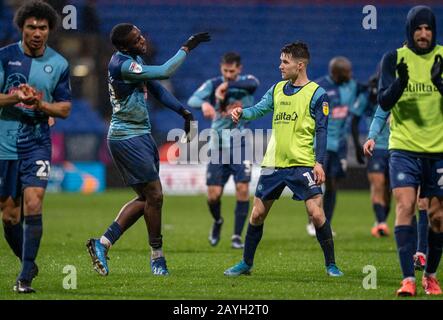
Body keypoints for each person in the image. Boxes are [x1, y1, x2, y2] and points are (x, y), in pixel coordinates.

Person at [86, 23, 210, 276]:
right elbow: (165, 70)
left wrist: (183, 111)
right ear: (123, 45)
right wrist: (187, 47)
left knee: (148, 199)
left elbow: (156, 89)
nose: (143, 40)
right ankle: (157, 258)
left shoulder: (134, 59)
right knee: (155, 195)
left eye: (141, 35)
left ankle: (103, 243)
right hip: (126, 137)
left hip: (141, 134)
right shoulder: (122, 64)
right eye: (136, 38)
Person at [224, 42, 343, 277]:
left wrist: (318, 162)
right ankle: (246, 264)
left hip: (302, 163)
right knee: (257, 214)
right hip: (274, 163)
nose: (280, 66)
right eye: (280, 61)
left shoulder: (317, 94)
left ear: (300, 65)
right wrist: (242, 112)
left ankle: (331, 264)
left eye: (285, 62)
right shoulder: (277, 89)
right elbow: (258, 109)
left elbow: (322, 130)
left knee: (317, 214)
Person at [0, 1, 72, 293]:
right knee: (9, 215)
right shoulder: (5, 57)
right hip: (4, 144)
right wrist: (17, 96)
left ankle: (25, 274)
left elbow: (65, 109)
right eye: (31, 27)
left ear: (50, 30)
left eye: (43, 27)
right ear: (22, 28)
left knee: (34, 202)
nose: (37, 32)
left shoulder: (60, 64)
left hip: (37, 143)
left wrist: (40, 104)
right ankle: (26, 260)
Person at [378, 5, 443, 296]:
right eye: (418, 28)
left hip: (438, 150)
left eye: (428, 28)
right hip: (403, 147)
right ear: (409, 30)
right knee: (405, 206)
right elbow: (383, 102)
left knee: (438, 218)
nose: (423, 34)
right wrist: (401, 84)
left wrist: (440, 84)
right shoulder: (394, 58)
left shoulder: (442, 57)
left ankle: (430, 274)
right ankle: (408, 279)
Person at [187, 52, 259, 249]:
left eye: (232, 71)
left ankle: (236, 236)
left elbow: (254, 84)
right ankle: (218, 221)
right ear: (221, 68)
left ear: (239, 69)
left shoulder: (247, 81)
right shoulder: (212, 84)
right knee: (213, 195)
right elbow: (192, 99)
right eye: (225, 71)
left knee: (243, 188)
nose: (228, 74)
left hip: (241, 143)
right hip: (218, 145)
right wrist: (204, 104)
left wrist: (228, 86)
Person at [305, 57, 366, 236]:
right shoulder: (319, 88)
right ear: (336, 73)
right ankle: (312, 221)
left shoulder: (352, 86)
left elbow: (369, 88)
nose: (351, 75)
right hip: (319, 143)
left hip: (339, 146)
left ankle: (326, 223)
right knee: (315, 184)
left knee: (332, 184)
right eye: (347, 72)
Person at [363, 106, 429, 269]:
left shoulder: (433, 84)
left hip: (429, 149)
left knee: (425, 204)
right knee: (407, 203)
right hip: (401, 152)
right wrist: (371, 137)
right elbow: (380, 112)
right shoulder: (396, 84)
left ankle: (421, 253)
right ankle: (415, 254)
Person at [355, 70, 392, 238]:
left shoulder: (397, 92)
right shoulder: (368, 95)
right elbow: (354, 118)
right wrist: (357, 145)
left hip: (396, 147)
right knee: (378, 185)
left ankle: (381, 220)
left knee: (389, 189)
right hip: (376, 148)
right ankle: (381, 223)